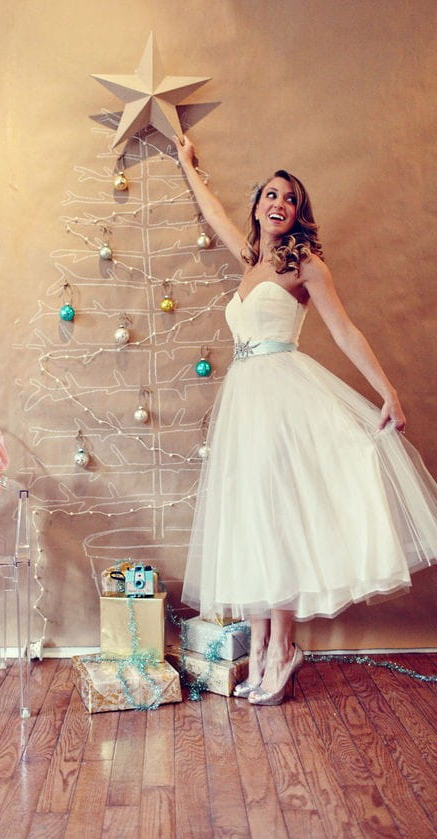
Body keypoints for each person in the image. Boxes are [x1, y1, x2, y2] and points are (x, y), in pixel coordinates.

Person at [174, 134, 437, 705]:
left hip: (282, 396)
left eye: (289, 199)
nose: (278, 204)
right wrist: (187, 165)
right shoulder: (249, 261)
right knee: (258, 519)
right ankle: (267, 646)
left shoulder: (306, 265)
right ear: (258, 206)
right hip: (245, 402)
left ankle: (281, 648)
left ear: (298, 213)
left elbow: (345, 331)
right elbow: (213, 212)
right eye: (270, 195)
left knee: (281, 516)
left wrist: (387, 391)